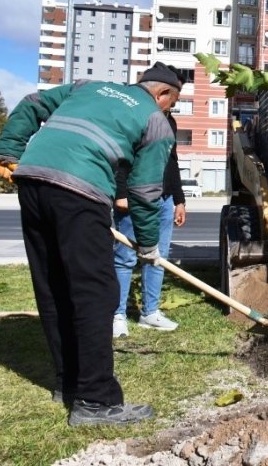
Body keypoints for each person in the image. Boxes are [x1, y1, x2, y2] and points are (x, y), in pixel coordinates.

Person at [0, 61, 182, 426]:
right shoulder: (155, 120)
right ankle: (95, 402)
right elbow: (144, 192)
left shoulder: (88, 87)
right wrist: (147, 246)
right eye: (170, 104)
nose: (168, 110)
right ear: (162, 94)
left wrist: (9, 152)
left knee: (54, 285)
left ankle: (69, 384)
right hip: (80, 191)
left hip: (32, 180)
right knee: (96, 292)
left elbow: (32, 102)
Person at [113, 65, 187, 337]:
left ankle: (150, 312)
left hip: (164, 199)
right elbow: (120, 157)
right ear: (161, 92)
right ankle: (117, 314)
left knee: (157, 257)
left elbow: (172, 161)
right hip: (134, 198)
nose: (174, 103)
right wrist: (120, 194)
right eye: (174, 97)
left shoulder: (169, 121)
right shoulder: (134, 116)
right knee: (125, 257)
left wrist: (179, 199)